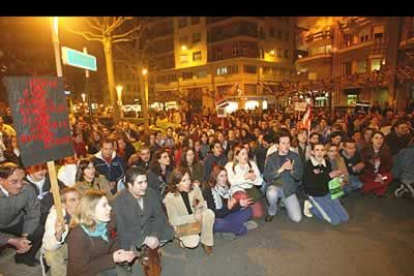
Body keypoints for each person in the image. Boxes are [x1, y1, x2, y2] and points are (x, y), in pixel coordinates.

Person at [112, 166, 174, 274]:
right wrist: (144, 240)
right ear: (129, 185)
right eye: (140, 183)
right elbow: (121, 230)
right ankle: (133, 258)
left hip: (148, 227)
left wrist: (155, 235)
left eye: (145, 181)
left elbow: (159, 216)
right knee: (126, 258)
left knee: (170, 232)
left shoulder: (151, 193)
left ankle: (149, 250)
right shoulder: (117, 201)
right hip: (130, 234)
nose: (144, 186)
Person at [67, 190, 135, 276]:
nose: (110, 208)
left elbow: (114, 241)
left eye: (108, 204)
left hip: (104, 265)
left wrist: (122, 255)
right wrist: (112, 258)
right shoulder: (77, 235)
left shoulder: (110, 221)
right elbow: (79, 269)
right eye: (104, 205)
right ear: (90, 212)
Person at [0, 162, 43, 267]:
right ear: (1, 180)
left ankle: (24, 257)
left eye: (21, 180)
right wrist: (11, 240)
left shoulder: (26, 188)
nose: (20, 185)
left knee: (39, 229)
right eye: (14, 182)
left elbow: (33, 211)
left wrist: (25, 236)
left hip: (15, 221)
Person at [164, 167, 215, 255]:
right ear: (176, 183)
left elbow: (201, 202)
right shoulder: (169, 198)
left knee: (209, 214)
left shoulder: (194, 187)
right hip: (183, 225)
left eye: (188, 179)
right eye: (184, 181)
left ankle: (206, 242)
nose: (188, 182)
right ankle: (181, 241)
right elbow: (173, 220)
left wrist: (199, 209)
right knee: (193, 242)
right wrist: (193, 217)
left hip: (196, 218)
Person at [203, 166, 256, 240]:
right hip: (217, 219)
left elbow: (231, 210)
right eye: (221, 176)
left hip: (227, 217)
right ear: (215, 177)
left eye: (225, 175)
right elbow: (213, 214)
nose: (224, 178)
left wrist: (240, 205)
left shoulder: (227, 187)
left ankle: (227, 230)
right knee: (217, 224)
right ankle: (241, 229)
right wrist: (228, 208)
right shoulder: (208, 192)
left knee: (248, 210)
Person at [302, 143, 349, 226]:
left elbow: (330, 180)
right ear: (312, 152)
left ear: (324, 152)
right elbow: (310, 185)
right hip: (315, 194)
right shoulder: (308, 165)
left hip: (327, 191)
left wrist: (338, 183)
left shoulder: (327, 162)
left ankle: (326, 205)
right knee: (335, 221)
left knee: (345, 217)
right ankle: (311, 206)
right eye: (317, 150)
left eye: (322, 150)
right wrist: (329, 176)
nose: (320, 152)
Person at [263, 131, 303, 223]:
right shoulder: (271, 157)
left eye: (288, 143)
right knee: (271, 193)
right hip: (274, 186)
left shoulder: (295, 156)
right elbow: (266, 176)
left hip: (288, 189)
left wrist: (292, 169)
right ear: (277, 145)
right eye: (283, 143)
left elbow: (299, 176)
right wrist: (281, 169)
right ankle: (272, 211)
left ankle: (282, 201)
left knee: (297, 218)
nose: (287, 146)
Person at [42, 187, 81, 276]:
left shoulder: (86, 211)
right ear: (63, 204)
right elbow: (48, 246)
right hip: (65, 246)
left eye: (79, 198)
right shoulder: (55, 216)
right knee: (51, 255)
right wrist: (58, 234)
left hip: (82, 246)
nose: (78, 202)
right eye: (72, 200)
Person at [225, 145, 264, 218]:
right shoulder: (229, 165)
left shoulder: (252, 164)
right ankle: (238, 208)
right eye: (242, 154)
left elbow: (260, 182)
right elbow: (230, 181)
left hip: (250, 189)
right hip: (237, 189)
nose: (245, 156)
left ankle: (243, 210)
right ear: (236, 156)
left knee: (258, 215)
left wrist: (254, 179)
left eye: (246, 153)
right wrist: (245, 178)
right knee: (243, 198)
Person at [360, 131, 393, 197]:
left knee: (389, 177)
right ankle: (379, 190)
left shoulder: (386, 150)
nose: (379, 140)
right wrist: (375, 176)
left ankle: (367, 187)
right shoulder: (364, 150)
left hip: (381, 175)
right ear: (372, 139)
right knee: (379, 180)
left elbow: (389, 165)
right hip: (368, 175)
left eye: (381, 138)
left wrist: (380, 175)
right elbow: (364, 168)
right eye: (376, 138)